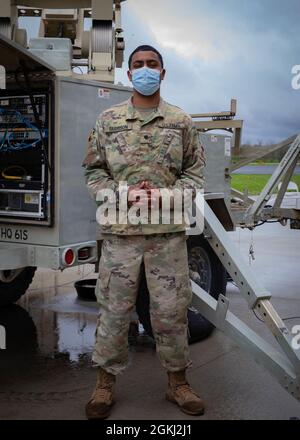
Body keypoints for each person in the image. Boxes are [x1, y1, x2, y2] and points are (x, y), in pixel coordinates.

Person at [82, 44, 206, 419]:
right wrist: (123, 193)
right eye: (139, 65)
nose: (146, 69)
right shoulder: (108, 120)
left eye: (153, 64)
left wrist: (164, 197)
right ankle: (104, 386)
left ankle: (178, 384)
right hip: (120, 237)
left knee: (170, 312)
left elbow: (195, 175)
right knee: (114, 313)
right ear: (129, 73)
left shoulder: (181, 122)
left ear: (163, 73)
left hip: (166, 237)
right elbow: (93, 172)